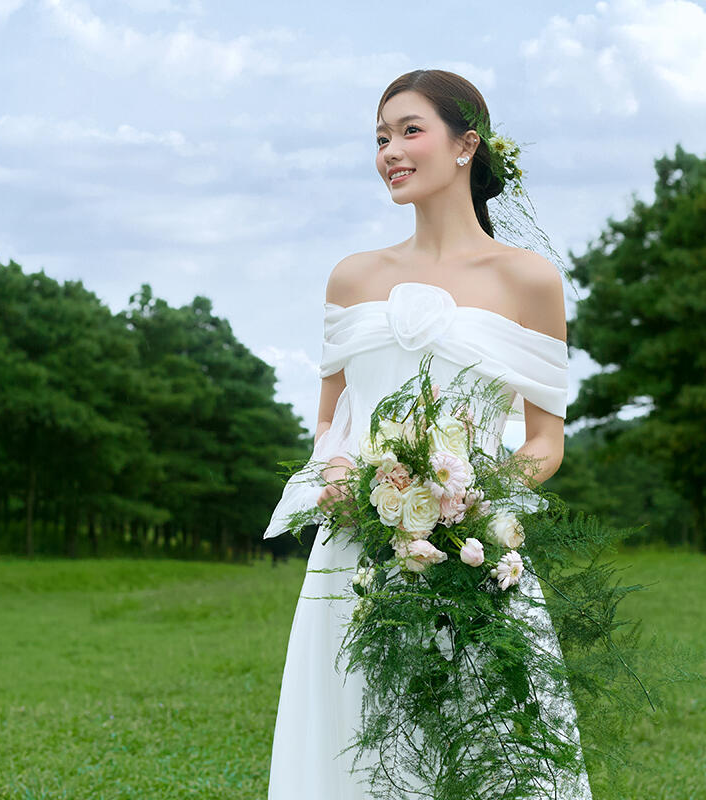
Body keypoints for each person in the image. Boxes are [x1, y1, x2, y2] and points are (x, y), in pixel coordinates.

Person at [262, 69, 593, 799]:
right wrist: (345, 476)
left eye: (410, 130)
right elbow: (331, 416)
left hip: (476, 552)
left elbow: (545, 441)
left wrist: (470, 503)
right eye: (381, 137)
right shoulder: (351, 278)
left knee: (491, 744)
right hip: (356, 552)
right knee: (357, 744)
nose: (391, 150)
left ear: (466, 144)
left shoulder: (529, 281)